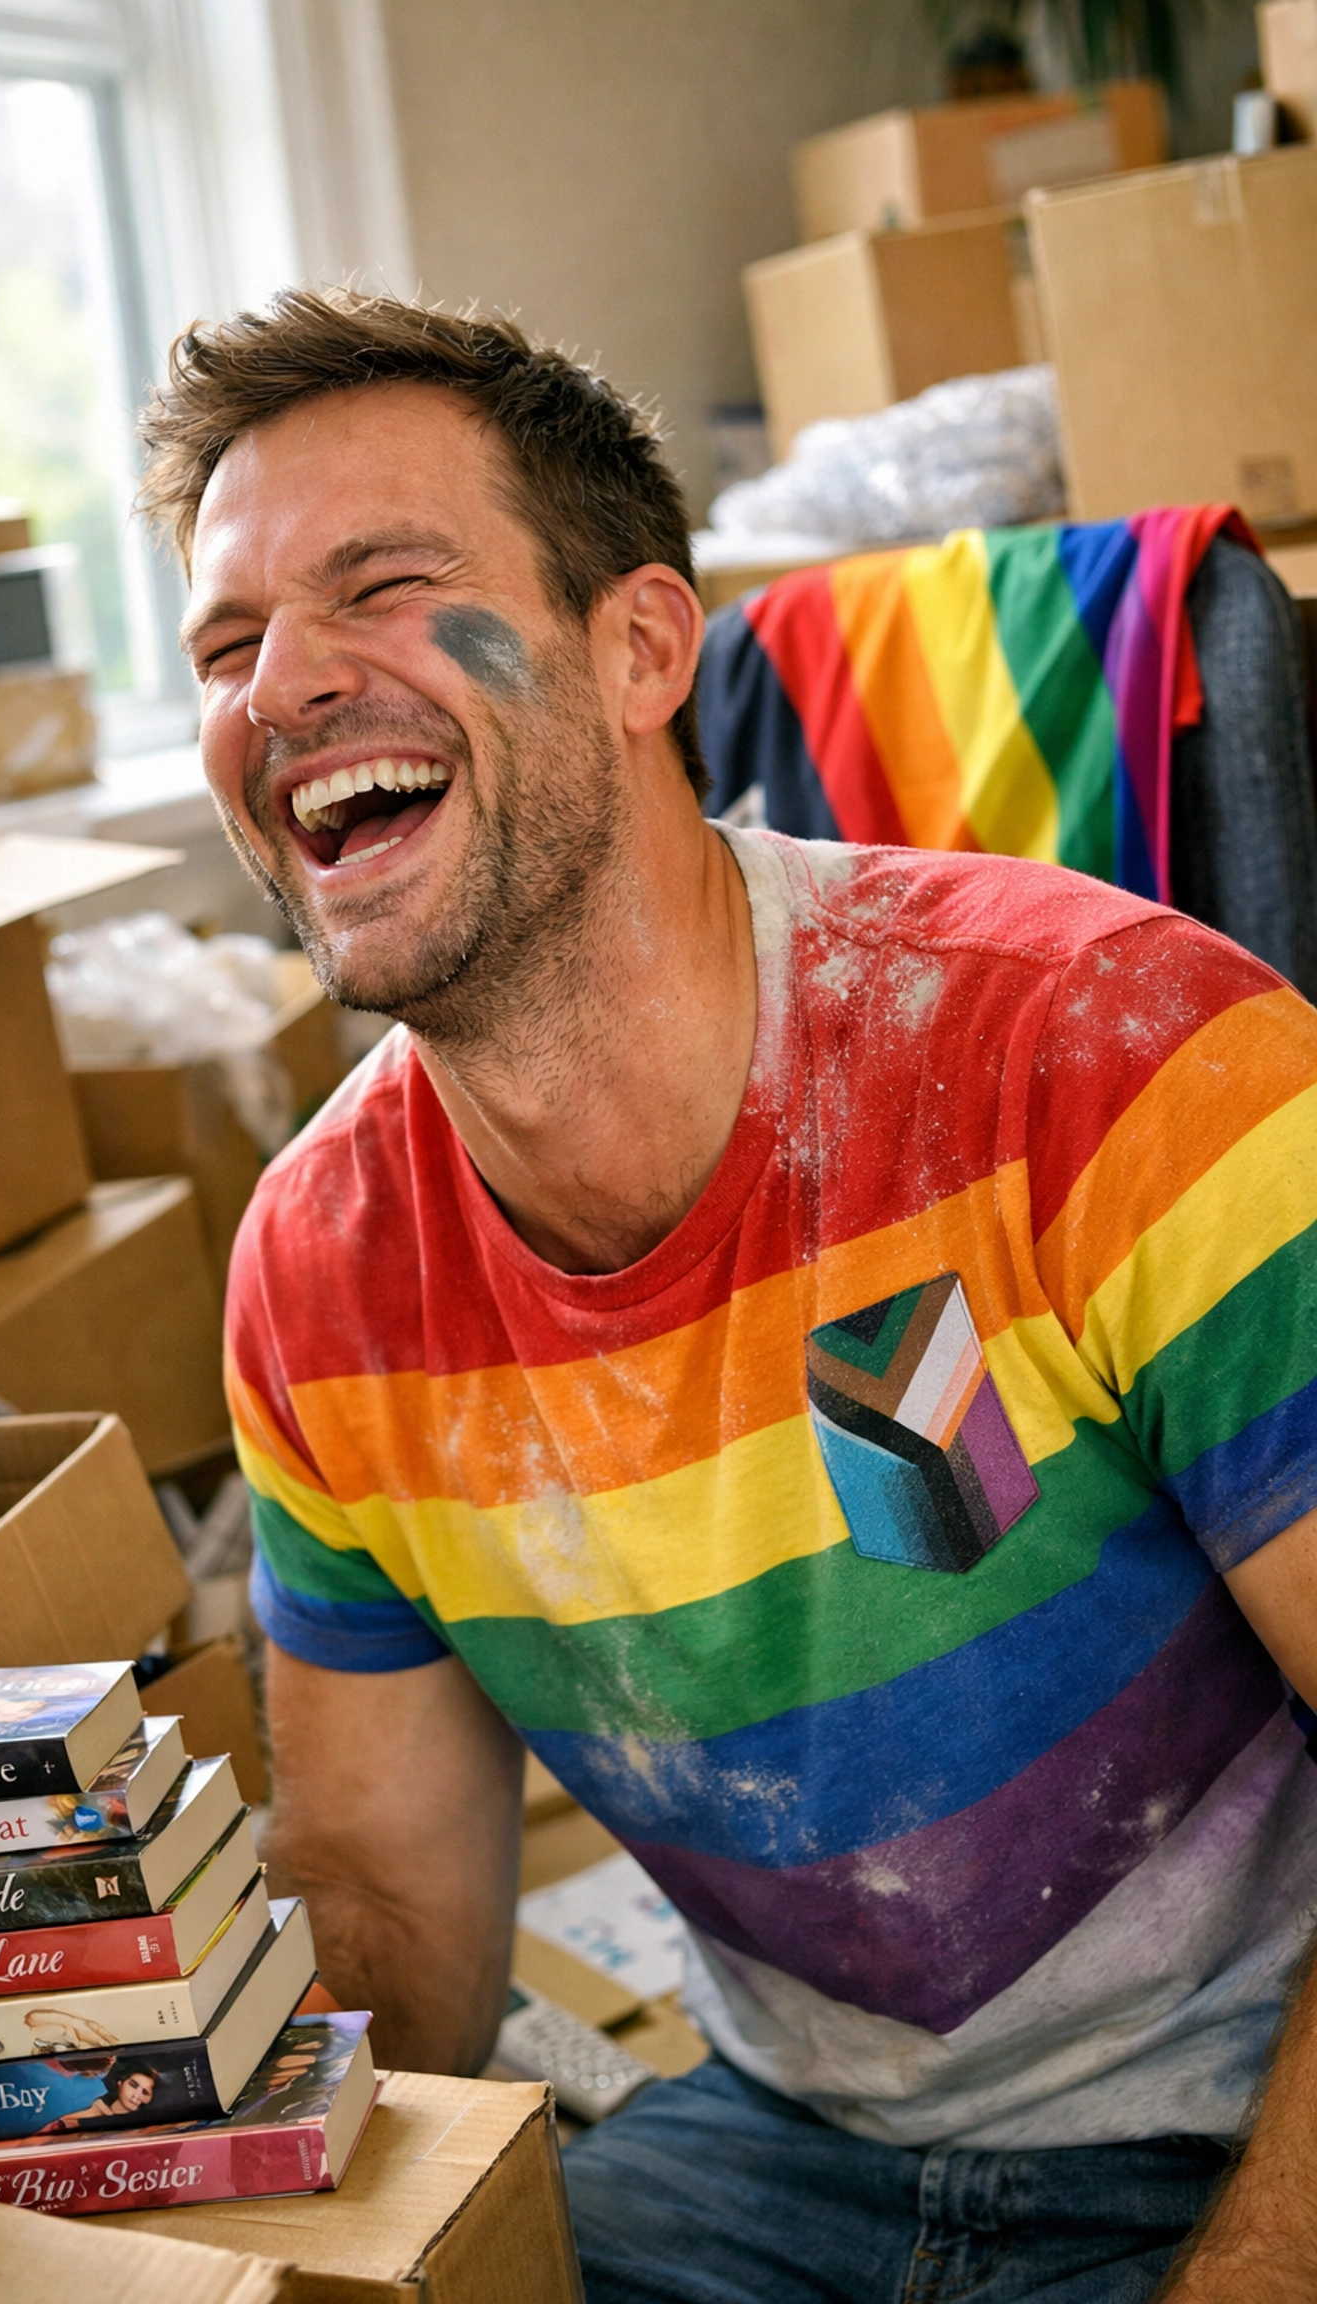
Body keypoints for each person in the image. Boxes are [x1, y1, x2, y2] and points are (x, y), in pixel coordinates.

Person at [140, 288, 1317, 2304]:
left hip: (1238, 2119)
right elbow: (400, 1916)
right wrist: (88, 2058)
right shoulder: (318, 1277)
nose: (286, 687)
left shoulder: (1114, 1060)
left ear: (641, 650)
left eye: (385, 588)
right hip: (791, 2150)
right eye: (227, 645)